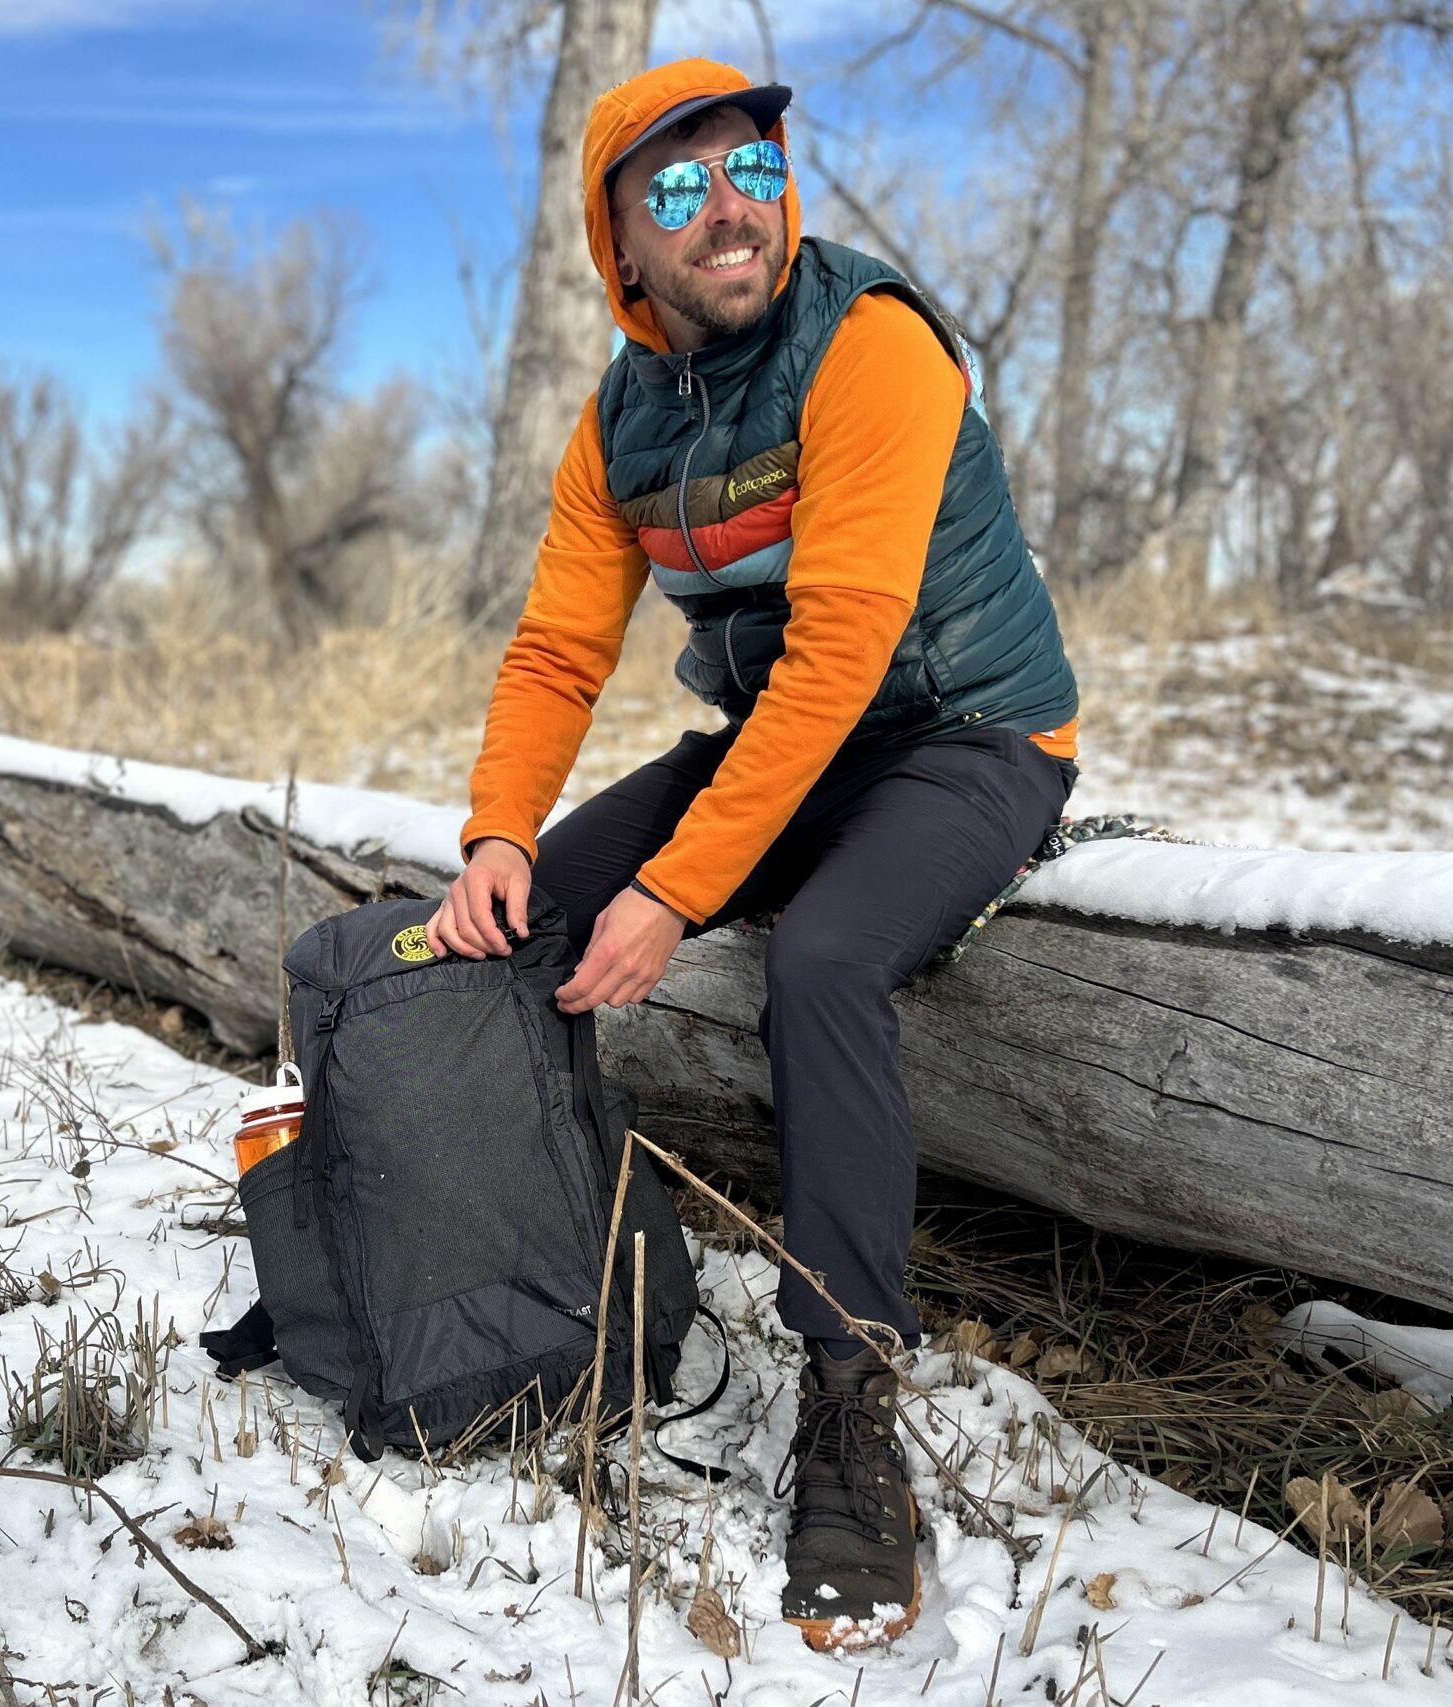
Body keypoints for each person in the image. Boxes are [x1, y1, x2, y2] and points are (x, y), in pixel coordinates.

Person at [424, 58, 1080, 1650]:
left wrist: (680, 890)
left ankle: (851, 1398)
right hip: (780, 746)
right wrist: (499, 832)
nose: (728, 207)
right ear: (619, 243)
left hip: (964, 739)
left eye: (754, 172)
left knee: (830, 961)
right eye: (677, 187)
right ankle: (539, 1280)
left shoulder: (873, 345)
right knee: (517, 928)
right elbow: (557, 653)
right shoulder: (621, 419)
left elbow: (849, 642)